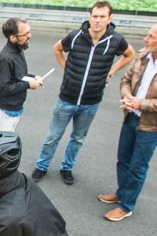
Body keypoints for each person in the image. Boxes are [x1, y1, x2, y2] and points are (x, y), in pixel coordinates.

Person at [32, 1, 135, 185]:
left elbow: (130, 55)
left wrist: (111, 72)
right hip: (67, 98)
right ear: (90, 17)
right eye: (95, 16)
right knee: (53, 136)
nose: (97, 20)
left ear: (109, 19)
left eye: (102, 17)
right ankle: (42, 166)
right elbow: (57, 48)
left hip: (91, 101)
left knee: (78, 138)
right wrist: (67, 68)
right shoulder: (76, 36)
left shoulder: (116, 40)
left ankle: (67, 168)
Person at [99, 21, 157, 222]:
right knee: (123, 159)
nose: (145, 39)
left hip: (151, 126)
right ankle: (122, 192)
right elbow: (125, 80)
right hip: (131, 116)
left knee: (137, 166)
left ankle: (126, 205)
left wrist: (141, 103)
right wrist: (128, 97)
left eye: (151, 36)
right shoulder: (143, 56)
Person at [0, 18, 42, 131]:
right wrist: (28, 85)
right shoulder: (6, 59)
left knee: (7, 142)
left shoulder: (18, 50)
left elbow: (17, 75)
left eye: (29, 32)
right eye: (26, 34)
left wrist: (33, 77)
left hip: (13, 109)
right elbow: (1, 88)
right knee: (1, 144)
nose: (30, 36)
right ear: (13, 38)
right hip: (5, 112)